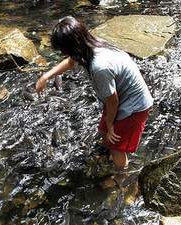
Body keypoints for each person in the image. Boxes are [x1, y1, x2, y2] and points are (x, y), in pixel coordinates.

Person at [36, 16, 153, 170]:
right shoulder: (90, 44)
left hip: (133, 107)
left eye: (63, 50)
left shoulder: (100, 67)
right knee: (105, 133)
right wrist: (46, 76)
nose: (63, 54)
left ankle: (122, 177)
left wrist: (111, 124)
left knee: (116, 147)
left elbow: (113, 101)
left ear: (72, 47)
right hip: (121, 97)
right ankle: (108, 153)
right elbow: (71, 62)